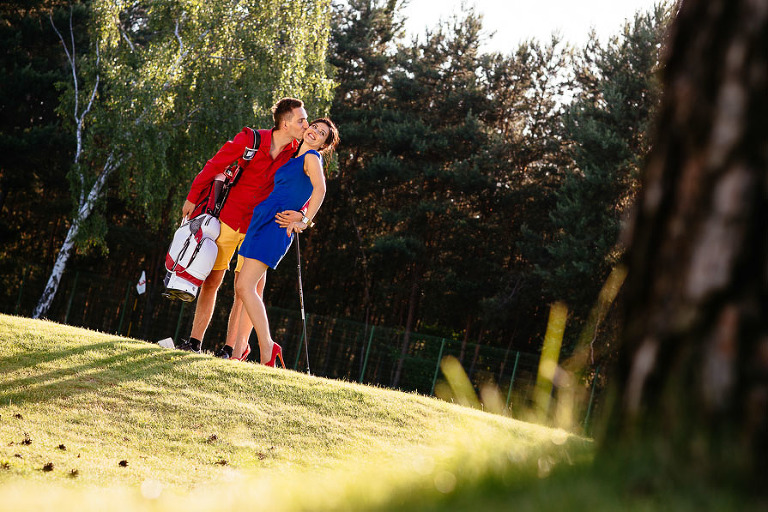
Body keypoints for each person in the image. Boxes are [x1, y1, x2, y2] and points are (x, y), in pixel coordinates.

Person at [175, 98, 308, 354]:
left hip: (259, 228)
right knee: (211, 281)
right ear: (285, 122)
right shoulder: (251, 139)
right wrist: (193, 196)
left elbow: (307, 187)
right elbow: (215, 164)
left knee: (243, 290)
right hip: (228, 219)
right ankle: (194, 342)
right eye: (301, 120)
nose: (306, 125)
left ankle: (229, 349)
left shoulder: (297, 153)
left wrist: (302, 215)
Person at [231, 118, 339, 366]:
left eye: (322, 133)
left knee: (245, 287)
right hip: (261, 220)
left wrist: (304, 220)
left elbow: (320, 190)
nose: (314, 132)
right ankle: (242, 350)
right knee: (245, 288)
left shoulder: (312, 158)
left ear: (323, 144)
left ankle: (267, 347)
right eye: (314, 127)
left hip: (276, 226)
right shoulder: (293, 157)